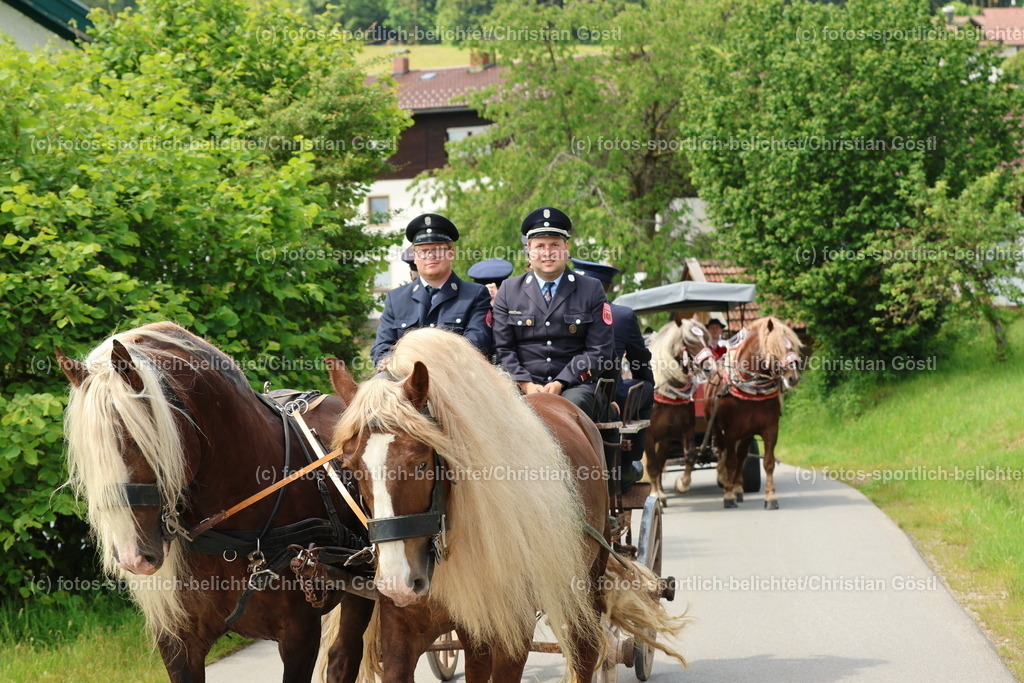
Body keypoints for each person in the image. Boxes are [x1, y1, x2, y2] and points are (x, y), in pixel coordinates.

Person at [491, 207, 614, 421]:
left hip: (575, 386)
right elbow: (503, 349)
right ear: (528, 250)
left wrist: (562, 381)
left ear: (566, 247)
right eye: (540, 246)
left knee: (568, 409)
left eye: (555, 245)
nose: (547, 252)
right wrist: (525, 384)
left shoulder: (591, 289)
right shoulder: (509, 291)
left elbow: (599, 351)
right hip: (522, 386)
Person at [571, 258, 653, 484]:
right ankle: (629, 463)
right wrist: (648, 381)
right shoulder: (622, 316)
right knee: (645, 388)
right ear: (606, 287)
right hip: (603, 394)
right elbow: (639, 360)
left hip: (557, 385)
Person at [371, 214, 492, 364]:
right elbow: (382, 349)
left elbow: (477, 344)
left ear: (451, 252)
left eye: (437, 249)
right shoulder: (396, 299)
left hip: (457, 379)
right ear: (415, 257)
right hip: (407, 379)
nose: (430, 256)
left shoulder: (474, 295)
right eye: (423, 251)